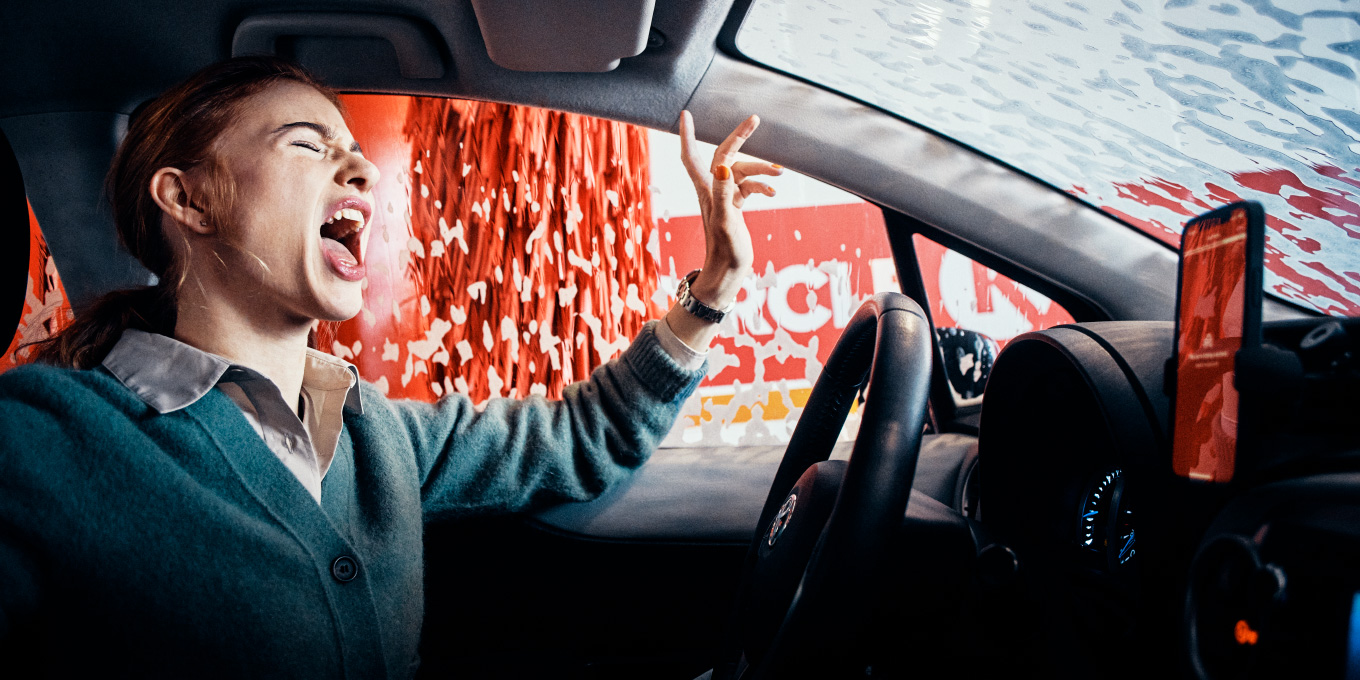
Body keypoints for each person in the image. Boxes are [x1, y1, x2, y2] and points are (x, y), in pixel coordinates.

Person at [0, 56, 780, 677]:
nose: (363, 172)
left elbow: (584, 433)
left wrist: (713, 288)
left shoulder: (380, 436)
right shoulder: (39, 440)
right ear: (189, 200)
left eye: (354, 151)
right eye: (308, 143)